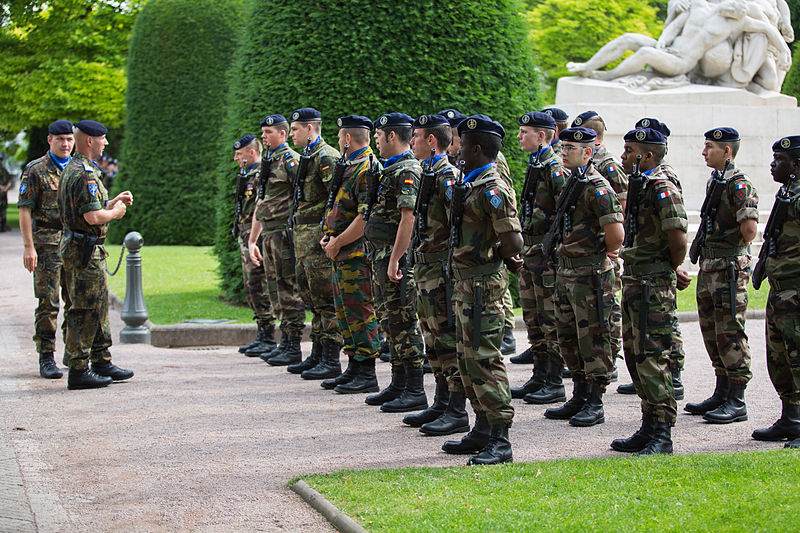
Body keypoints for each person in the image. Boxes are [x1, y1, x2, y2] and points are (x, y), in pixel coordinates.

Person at [440, 114, 523, 465]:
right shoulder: (469, 182)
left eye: (462, 144)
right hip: (465, 282)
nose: (456, 149)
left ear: (477, 149)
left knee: (485, 358)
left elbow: (513, 239)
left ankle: (500, 438)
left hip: (482, 285)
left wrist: (497, 257)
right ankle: (482, 426)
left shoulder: (492, 187)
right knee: (466, 358)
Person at [611, 127, 687, 455]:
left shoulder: (662, 188)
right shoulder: (641, 185)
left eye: (629, 150)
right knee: (636, 355)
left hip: (652, 282)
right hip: (635, 279)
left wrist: (666, 267)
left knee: (654, 355)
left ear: (648, 155)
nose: (623, 156)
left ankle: (662, 432)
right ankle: (648, 423)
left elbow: (678, 239)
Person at [543, 127, 624, 427]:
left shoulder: (597, 187)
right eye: (562, 147)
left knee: (594, 337)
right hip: (567, 272)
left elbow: (616, 234)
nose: (563, 152)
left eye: (570, 148)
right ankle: (579, 394)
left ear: (588, 152)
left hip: (590, 275)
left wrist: (598, 255)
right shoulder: (572, 182)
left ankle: (595, 399)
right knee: (568, 336)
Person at [685, 127, 758, 424]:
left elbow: (749, 230)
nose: (704, 152)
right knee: (712, 330)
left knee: (730, 331)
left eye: (710, 147)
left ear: (727, 151)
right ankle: (722, 389)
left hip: (728, 268)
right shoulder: (716, 181)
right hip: (711, 266)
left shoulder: (739, 185)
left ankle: (736, 399)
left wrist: (730, 251)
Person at [403, 114, 469, 435]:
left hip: (441, 270)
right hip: (426, 268)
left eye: (415, 136)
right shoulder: (429, 171)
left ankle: (456, 408)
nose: (411, 141)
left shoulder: (447, 176)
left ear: (431, 141)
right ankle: (441, 402)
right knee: (431, 337)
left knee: (446, 337)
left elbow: (458, 224)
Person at [58, 120, 133, 390]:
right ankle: (79, 369)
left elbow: (86, 209)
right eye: (103, 138)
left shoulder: (76, 168)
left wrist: (110, 203)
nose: (106, 143)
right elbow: (91, 216)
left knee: (98, 305)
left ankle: (101, 360)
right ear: (89, 140)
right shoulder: (85, 173)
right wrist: (114, 213)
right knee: (84, 309)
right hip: (84, 250)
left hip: (83, 247)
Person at [363, 113, 427, 412]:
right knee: (389, 320)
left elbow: (408, 218)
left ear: (391, 136)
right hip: (380, 256)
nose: (375, 138)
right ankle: (398, 384)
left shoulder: (407, 170)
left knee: (403, 321)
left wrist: (396, 258)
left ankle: (414, 388)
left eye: (378, 134)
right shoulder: (390, 168)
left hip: (394, 258)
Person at [320, 115, 382, 394]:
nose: (338, 141)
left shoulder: (367, 168)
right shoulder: (350, 165)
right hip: (341, 252)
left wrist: (338, 241)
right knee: (345, 312)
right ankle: (354, 366)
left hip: (356, 253)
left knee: (360, 311)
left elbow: (364, 218)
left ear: (347, 138)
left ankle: (367, 372)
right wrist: (329, 235)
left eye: (339, 136)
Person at [510, 111, 568, 405]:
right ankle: (540, 374)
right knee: (533, 316)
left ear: (542, 135)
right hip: (531, 251)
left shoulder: (554, 168)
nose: (519, 137)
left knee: (549, 318)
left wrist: (553, 248)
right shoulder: (537, 164)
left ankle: (554, 379)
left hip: (545, 254)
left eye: (525, 132)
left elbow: (564, 213)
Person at [286, 108, 344, 379]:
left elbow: (336, 200)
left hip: (317, 238)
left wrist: (329, 234)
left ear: (310, 129)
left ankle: (331, 358)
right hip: (303, 237)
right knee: (312, 298)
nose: (290, 134)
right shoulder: (308, 156)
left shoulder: (327, 157)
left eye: (295, 129)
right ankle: (318, 352)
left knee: (325, 299)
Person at [751, 135, 800, 448]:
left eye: (779, 160)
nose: (772, 164)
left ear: (796, 164)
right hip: (780, 290)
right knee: (779, 358)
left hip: (796, 289)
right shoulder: (788, 192)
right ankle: (791, 416)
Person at [18, 120, 75, 378]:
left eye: (69, 139)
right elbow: (24, 209)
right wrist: (29, 247)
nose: (65, 144)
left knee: (76, 301)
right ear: (49, 140)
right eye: (60, 139)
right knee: (48, 302)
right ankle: (46, 356)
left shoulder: (79, 168)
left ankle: (74, 353)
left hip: (75, 244)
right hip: (47, 244)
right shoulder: (36, 170)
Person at [248, 115, 306, 366]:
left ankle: (293, 344)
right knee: (274, 287)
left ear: (282, 134)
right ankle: (284, 341)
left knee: (288, 287)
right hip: (270, 233)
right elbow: (262, 202)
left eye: (268, 132)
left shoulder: (291, 161)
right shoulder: (269, 161)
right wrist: (253, 239)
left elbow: (301, 197)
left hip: (284, 232)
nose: (263, 136)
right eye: (262, 132)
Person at [573, 111, 626, 379]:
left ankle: (609, 359)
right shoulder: (581, 169)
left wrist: (608, 247)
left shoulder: (607, 166)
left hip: (603, 251)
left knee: (606, 310)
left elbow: (621, 208)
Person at [232, 135, 279, 361]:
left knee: (259, 284)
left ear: (252, 153)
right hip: (246, 235)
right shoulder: (246, 174)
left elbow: (260, 206)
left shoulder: (261, 173)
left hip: (256, 237)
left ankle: (269, 335)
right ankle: (262, 333)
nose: (235, 158)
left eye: (239, 154)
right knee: (251, 286)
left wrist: (252, 238)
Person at [0, 151, 11, 232]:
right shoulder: (4, 170)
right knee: (3, 210)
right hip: (3, 193)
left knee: (3, 210)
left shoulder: (4, 171)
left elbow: (9, 181)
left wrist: (5, 188)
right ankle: (3, 227)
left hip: (3, 194)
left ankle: (3, 227)